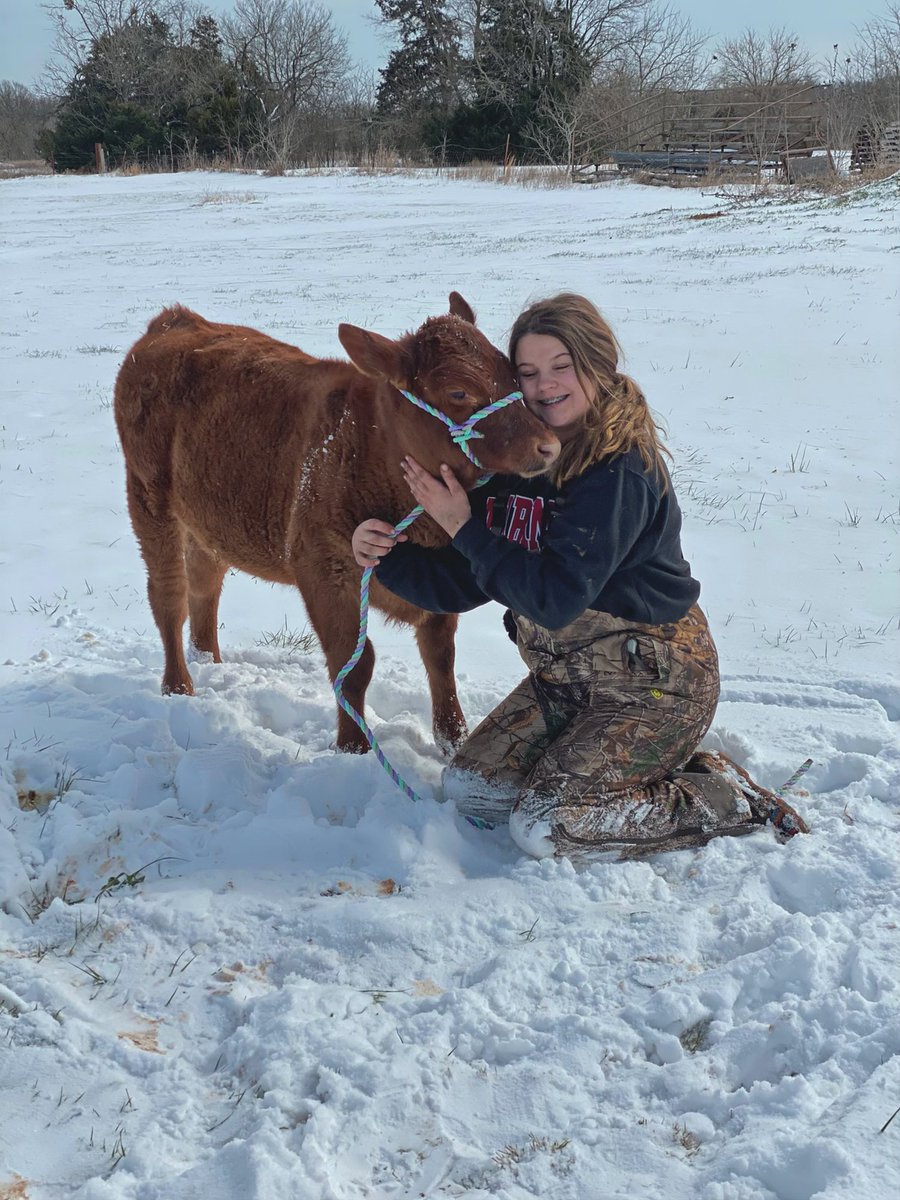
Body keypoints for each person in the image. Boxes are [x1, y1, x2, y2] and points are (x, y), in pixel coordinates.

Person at [351, 294, 807, 864]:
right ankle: (631, 764)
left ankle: (726, 797)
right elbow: (468, 584)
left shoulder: (618, 471)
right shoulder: (524, 464)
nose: (544, 387)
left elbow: (556, 599)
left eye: (561, 367)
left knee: (548, 826)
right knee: (473, 790)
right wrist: (384, 556)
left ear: (598, 363)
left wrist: (462, 526)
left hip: (656, 682)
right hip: (567, 681)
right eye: (527, 372)